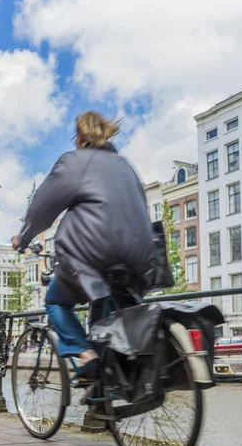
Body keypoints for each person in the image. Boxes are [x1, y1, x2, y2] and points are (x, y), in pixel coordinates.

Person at [12, 111, 154, 382]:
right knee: (104, 308)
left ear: (79, 137)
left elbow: (43, 208)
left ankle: (86, 356)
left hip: (93, 253)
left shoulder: (74, 162)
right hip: (139, 255)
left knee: (55, 301)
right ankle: (105, 393)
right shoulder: (125, 165)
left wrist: (24, 238)